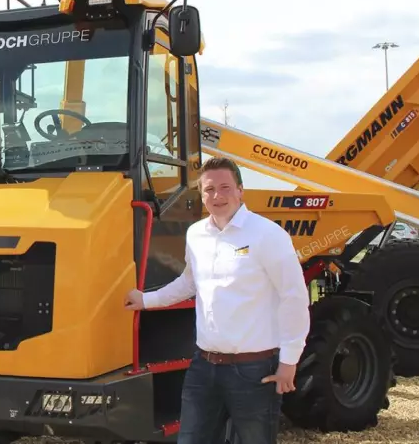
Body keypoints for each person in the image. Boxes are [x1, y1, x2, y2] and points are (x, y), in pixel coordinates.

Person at [124, 157, 310, 444]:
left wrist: (289, 361)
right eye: (209, 190)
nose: (217, 196)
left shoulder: (267, 235)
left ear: (240, 191)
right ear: (201, 194)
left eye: (225, 188)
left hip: (254, 370)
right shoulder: (196, 234)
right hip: (204, 367)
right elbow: (189, 282)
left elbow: (294, 297)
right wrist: (147, 301)